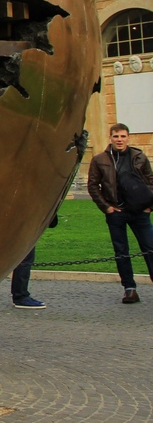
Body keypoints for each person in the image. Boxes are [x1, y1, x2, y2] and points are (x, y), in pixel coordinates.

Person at [86, 122, 153, 304]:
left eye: (123, 136)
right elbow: (93, 185)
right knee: (121, 251)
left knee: (150, 247)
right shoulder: (100, 159)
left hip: (140, 211)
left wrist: (149, 206)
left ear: (128, 138)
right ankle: (129, 289)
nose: (120, 140)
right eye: (116, 136)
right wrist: (106, 208)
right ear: (111, 138)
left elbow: (151, 181)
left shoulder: (139, 156)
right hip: (116, 212)